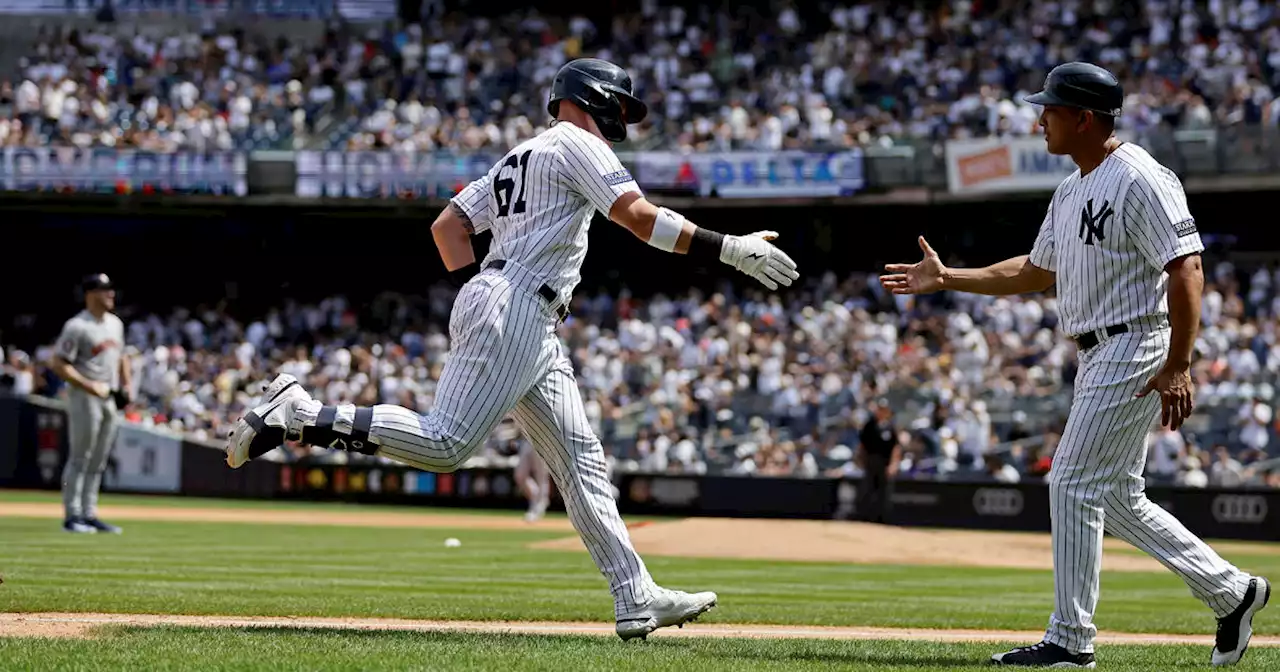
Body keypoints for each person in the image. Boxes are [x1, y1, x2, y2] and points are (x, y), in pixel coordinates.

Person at [224, 57, 799, 641]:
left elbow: (447, 228)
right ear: (594, 96)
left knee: (582, 461)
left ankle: (635, 595)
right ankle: (302, 415)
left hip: (522, 309)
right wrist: (729, 248)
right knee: (447, 443)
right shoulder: (578, 141)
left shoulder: (518, 155)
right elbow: (640, 220)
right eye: (619, 104)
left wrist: (481, 287)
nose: (621, 116)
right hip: (520, 303)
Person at [880, 62, 1269, 668]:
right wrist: (949, 277)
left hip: (1134, 342)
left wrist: (1179, 363)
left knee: (1068, 482)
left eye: (1051, 110)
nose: (1040, 120)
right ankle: (1231, 591)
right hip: (1098, 351)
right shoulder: (1071, 189)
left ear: (1083, 118)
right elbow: (1035, 272)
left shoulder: (1140, 177)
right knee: (1116, 498)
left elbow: (1186, 267)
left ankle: (1070, 640)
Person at [50, 273, 131, 534]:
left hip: (109, 395)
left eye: (111, 289)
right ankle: (72, 516)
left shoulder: (115, 324)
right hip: (84, 395)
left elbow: (121, 356)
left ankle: (89, 513)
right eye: (104, 289)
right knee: (80, 457)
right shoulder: (77, 326)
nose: (110, 294)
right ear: (90, 293)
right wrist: (88, 384)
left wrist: (126, 385)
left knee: (98, 460)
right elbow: (59, 363)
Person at [855, 398, 899, 523]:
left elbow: (895, 447)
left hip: (885, 463)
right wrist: (860, 460)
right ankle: (865, 517)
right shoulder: (869, 425)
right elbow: (862, 445)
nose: (882, 412)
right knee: (868, 489)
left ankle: (882, 519)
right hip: (871, 461)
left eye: (884, 410)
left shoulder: (890, 427)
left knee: (884, 492)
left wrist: (893, 464)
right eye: (880, 409)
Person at [514, 438, 551, 522]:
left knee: (541, 477)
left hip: (542, 442)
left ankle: (538, 506)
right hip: (526, 441)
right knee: (520, 476)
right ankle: (538, 499)